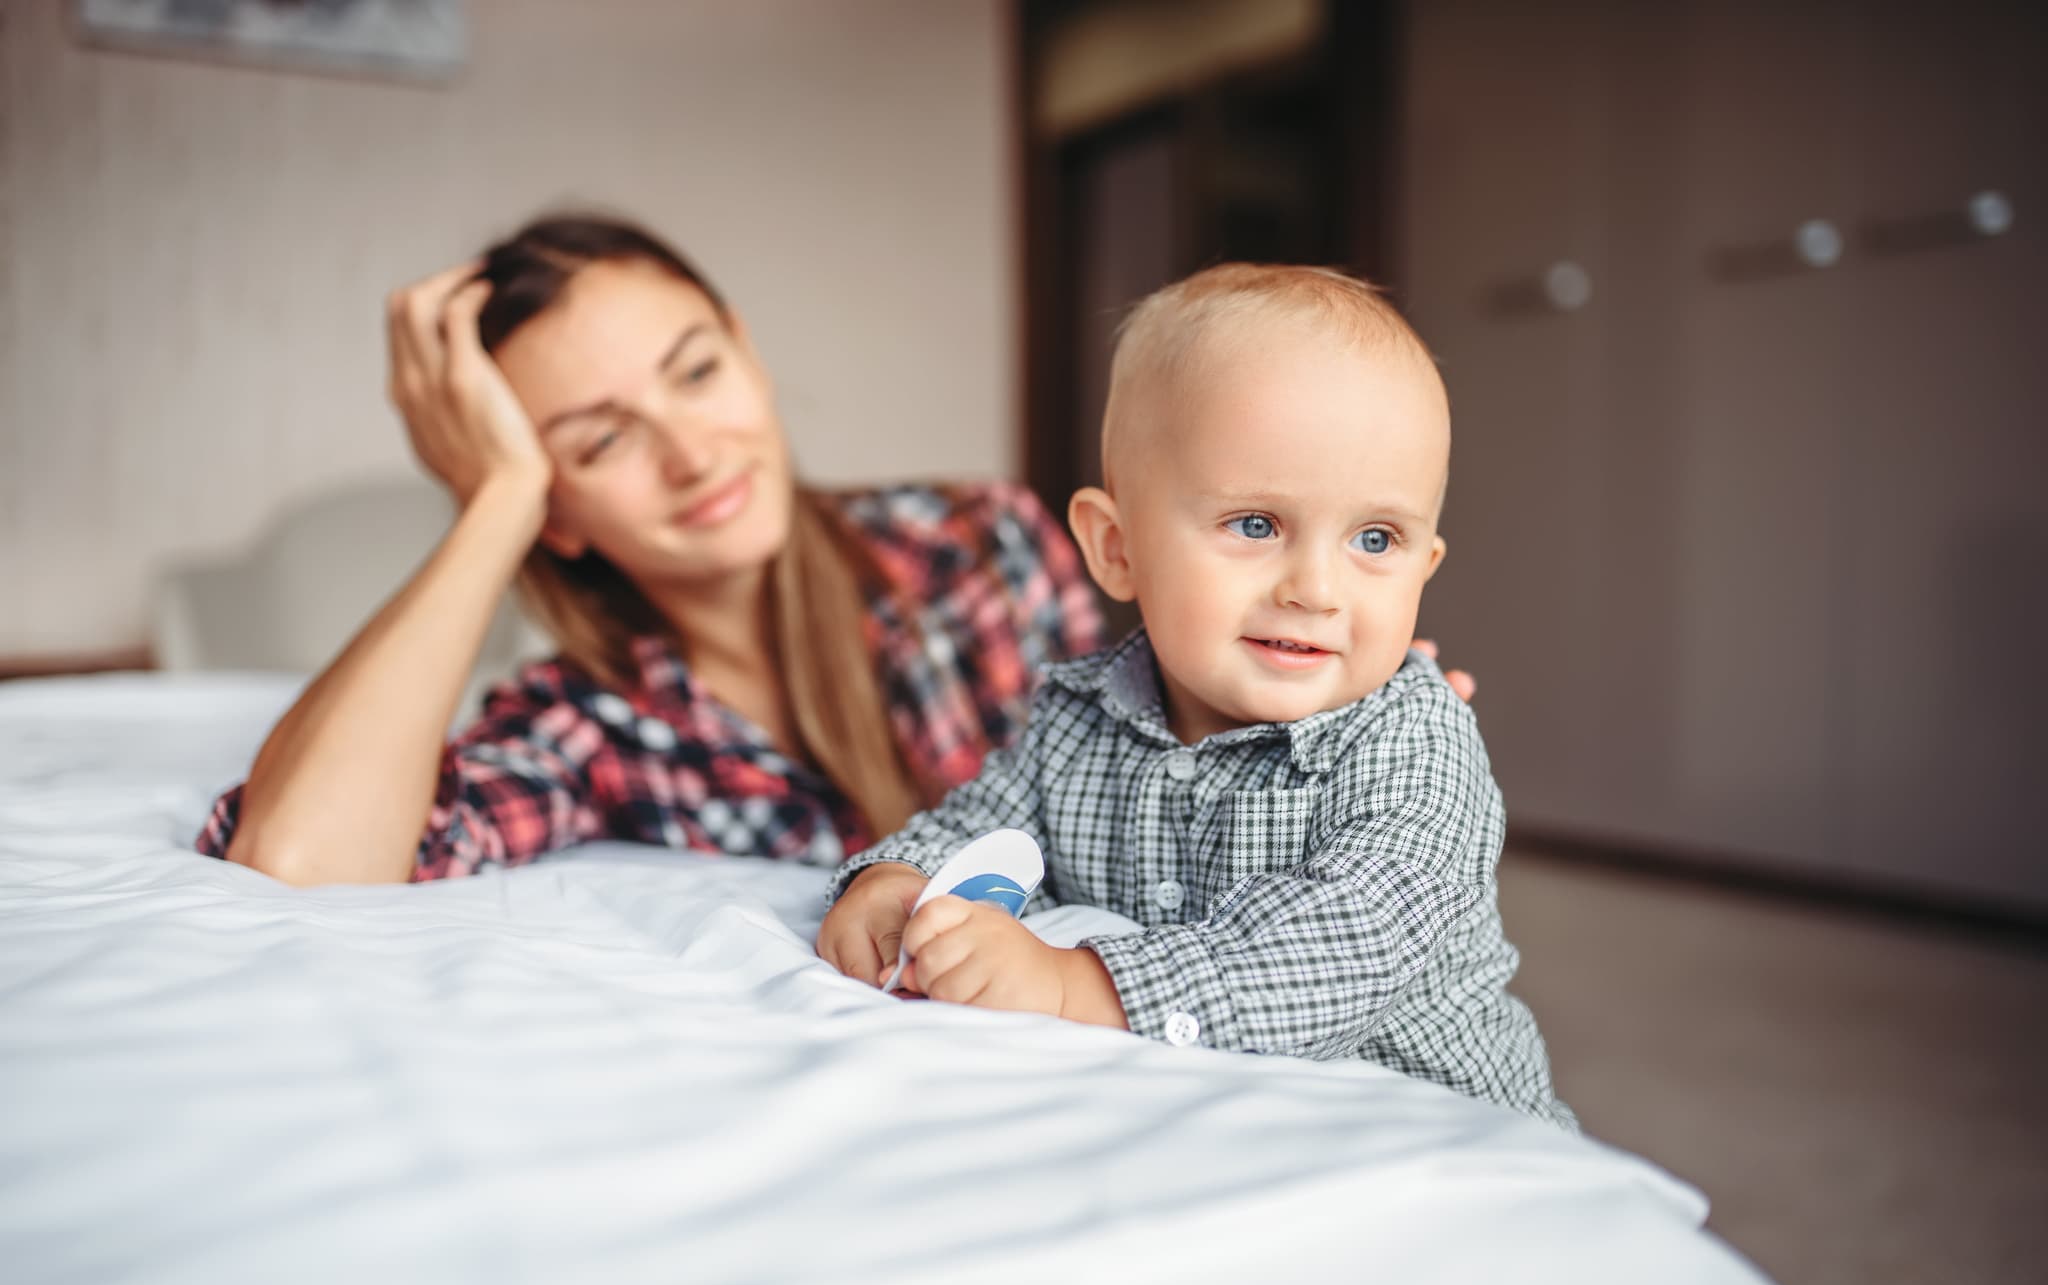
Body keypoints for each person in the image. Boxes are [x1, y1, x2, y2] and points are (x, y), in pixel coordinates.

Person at [817, 264, 1569, 1126]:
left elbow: (1338, 945)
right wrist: (894, 879)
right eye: (1256, 524)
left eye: (1375, 538)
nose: (1317, 588)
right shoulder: (1082, 717)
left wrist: (1075, 982)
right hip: (1199, 1119)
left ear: (1425, 568)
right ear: (1117, 548)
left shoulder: (1416, 746)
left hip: (1427, 1128)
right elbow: (986, 821)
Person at [196, 214, 1106, 884]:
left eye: (699, 373)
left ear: (746, 349)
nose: (694, 455)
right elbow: (298, 855)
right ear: (557, 517)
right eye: (603, 441)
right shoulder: (596, 722)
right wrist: (496, 501)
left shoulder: (978, 545)